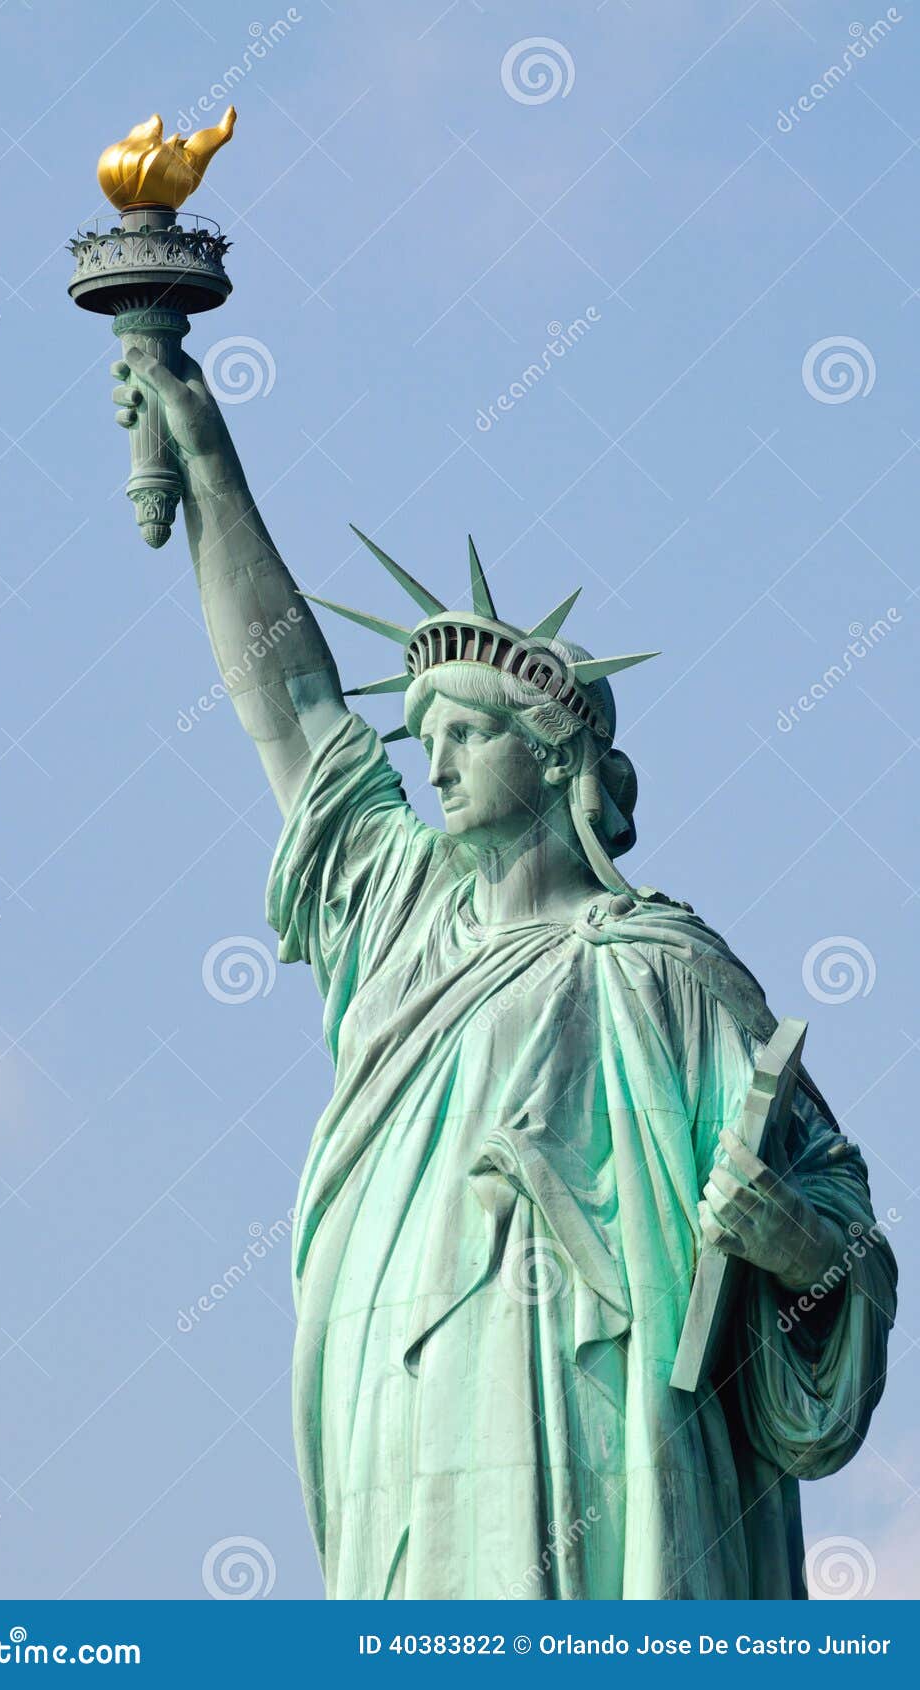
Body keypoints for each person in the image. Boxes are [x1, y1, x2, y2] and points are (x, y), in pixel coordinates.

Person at [109, 349, 897, 1601]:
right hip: (409, 1429)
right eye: (421, 739)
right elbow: (294, 704)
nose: (431, 763)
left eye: (461, 733)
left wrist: (797, 1249)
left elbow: (842, 1232)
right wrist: (207, 459)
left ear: (551, 755)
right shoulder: (401, 922)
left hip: (615, 1444)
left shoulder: (670, 977)